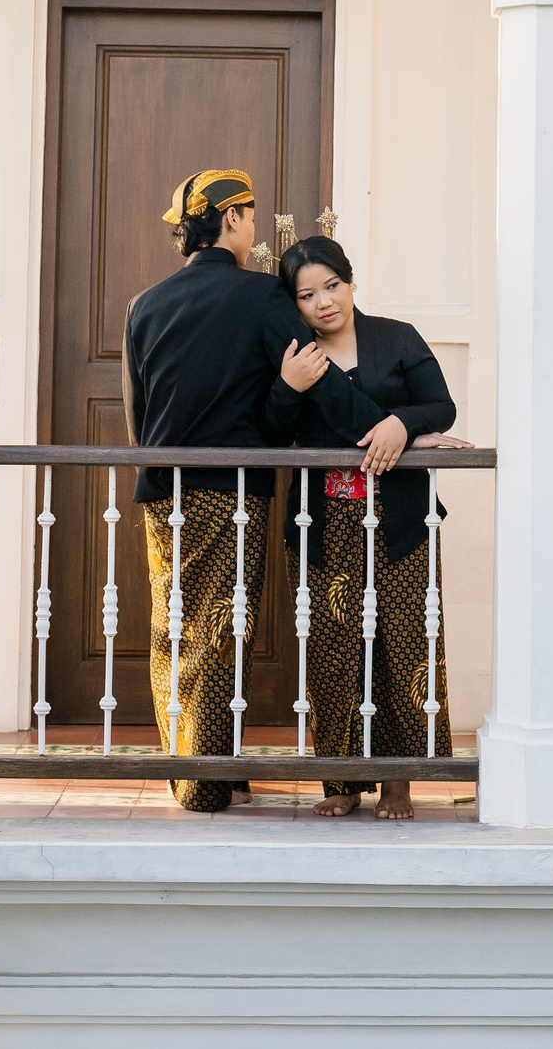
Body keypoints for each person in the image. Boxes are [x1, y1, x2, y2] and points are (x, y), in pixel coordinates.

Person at [122, 168, 347, 812]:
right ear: (231, 220)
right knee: (219, 630)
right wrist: (289, 392)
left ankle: (185, 768)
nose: (253, 225)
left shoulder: (145, 303)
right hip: (230, 490)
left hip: (160, 492)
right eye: (250, 214)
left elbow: (139, 419)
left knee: (173, 628)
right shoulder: (263, 298)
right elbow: (286, 410)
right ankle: (206, 781)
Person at [266, 235, 471, 819]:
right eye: (307, 294)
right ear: (295, 303)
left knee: (406, 644)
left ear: (350, 282)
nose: (324, 302)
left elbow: (442, 407)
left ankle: (400, 779)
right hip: (325, 520)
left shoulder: (396, 336)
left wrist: (402, 425)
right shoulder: (297, 355)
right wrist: (289, 387)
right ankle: (342, 779)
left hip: (402, 518)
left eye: (332, 285)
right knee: (334, 648)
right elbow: (272, 429)